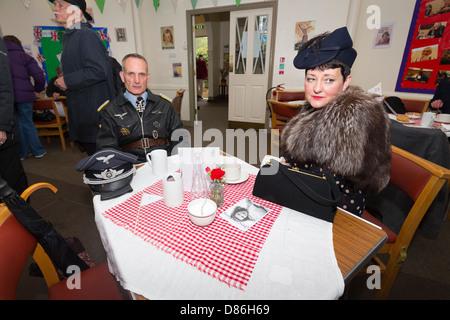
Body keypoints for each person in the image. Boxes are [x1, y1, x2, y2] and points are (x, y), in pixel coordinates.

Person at [280, 27, 391, 217]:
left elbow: (336, 178)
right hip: (305, 197)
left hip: (339, 211)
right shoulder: (312, 108)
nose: (316, 88)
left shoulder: (357, 117)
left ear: (346, 82)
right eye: (311, 78)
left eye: (329, 80)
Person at [50, 0, 115, 156]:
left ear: (77, 12)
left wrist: (68, 80)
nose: (55, 8)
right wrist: (67, 80)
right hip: (85, 112)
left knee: (103, 165)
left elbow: (98, 71)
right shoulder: (71, 37)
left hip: (94, 115)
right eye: (55, 5)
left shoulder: (85, 35)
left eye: (61, 5)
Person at [96, 53, 183, 163]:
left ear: (147, 77)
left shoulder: (165, 105)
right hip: (130, 167)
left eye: (141, 74)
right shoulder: (110, 111)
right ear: (122, 76)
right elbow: (107, 150)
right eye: (131, 74)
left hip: (164, 163)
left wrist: (174, 164)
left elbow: (180, 139)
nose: (137, 80)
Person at [3, 35, 47, 160]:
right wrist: (37, 90)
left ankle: (22, 153)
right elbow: (39, 76)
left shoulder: (2, 56)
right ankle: (38, 151)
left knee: (16, 125)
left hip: (8, 96)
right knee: (27, 123)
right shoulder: (25, 57)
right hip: (25, 96)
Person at [0, 37, 29, 195]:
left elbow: (4, 86)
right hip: (24, 99)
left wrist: (2, 125)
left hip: (5, 117)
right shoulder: (23, 56)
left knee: (11, 175)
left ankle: (23, 215)